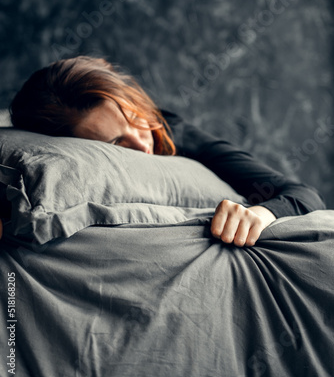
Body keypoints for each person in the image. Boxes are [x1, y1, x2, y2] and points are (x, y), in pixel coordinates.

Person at [2, 56, 325, 245]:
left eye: (135, 118)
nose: (142, 142)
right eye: (116, 144)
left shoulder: (172, 130)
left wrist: (260, 213)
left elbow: (302, 194)